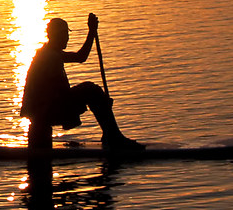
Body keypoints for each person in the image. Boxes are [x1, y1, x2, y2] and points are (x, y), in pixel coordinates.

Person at [20, 15, 143, 154]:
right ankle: (113, 136)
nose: (67, 38)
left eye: (67, 35)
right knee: (91, 90)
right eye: (64, 35)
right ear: (56, 36)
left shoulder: (50, 53)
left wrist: (91, 31)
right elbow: (61, 94)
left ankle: (111, 135)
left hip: (43, 113)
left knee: (92, 92)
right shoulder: (50, 57)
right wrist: (99, 103)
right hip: (43, 115)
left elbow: (80, 57)